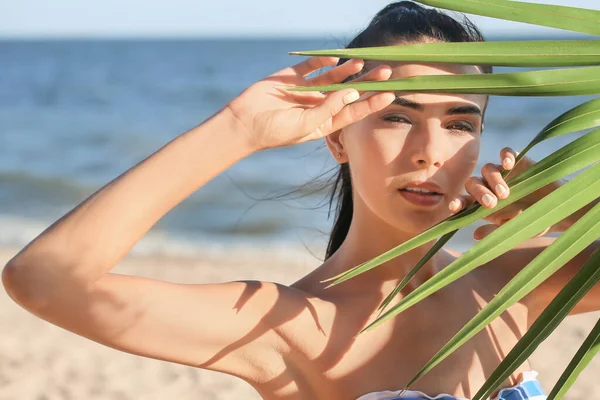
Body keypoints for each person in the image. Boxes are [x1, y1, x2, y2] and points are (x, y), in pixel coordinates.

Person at [2, 1, 599, 399]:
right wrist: (237, 128)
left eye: (460, 124)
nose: (429, 151)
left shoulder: (514, 281)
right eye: (397, 116)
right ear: (338, 135)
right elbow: (44, 280)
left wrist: (566, 211)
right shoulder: (284, 326)